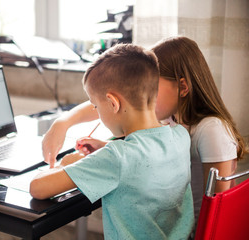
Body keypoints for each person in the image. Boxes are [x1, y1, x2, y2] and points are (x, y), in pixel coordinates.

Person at [42, 36, 248, 223]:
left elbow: (218, 215)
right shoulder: (174, 119)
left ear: (183, 87)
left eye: (153, 88)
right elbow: (107, 101)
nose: (144, 94)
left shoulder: (211, 130)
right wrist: (63, 123)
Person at [30, 43, 194, 239]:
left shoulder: (116, 157)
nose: (98, 113)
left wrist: (69, 165)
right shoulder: (181, 136)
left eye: (96, 106)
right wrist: (105, 147)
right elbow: (146, 158)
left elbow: (37, 188)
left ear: (113, 103)